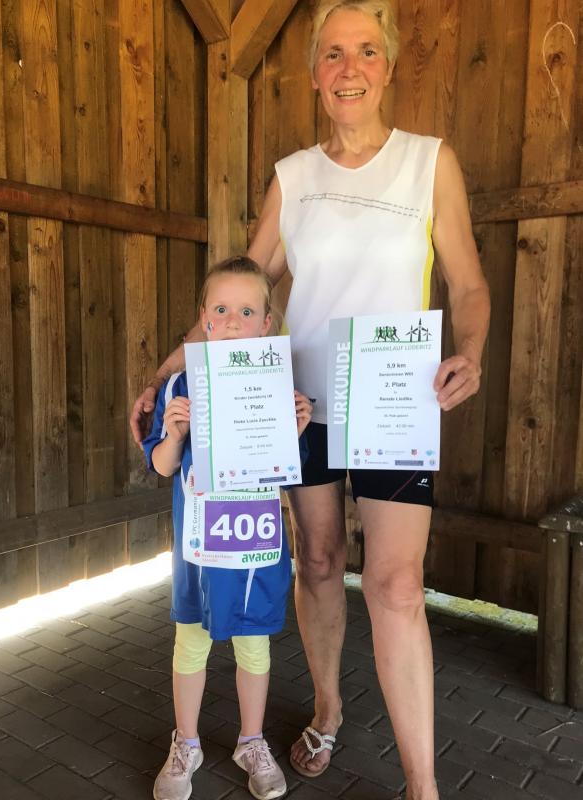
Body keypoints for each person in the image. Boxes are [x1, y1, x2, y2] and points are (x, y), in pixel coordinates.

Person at [133, 3, 490, 798]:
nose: (348, 68)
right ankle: (327, 710)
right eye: (332, 54)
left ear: (387, 66)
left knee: (396, 585)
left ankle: (422, 784)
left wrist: (468, 351)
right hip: (297, 403)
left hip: (392, 405)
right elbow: (238, 295)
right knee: (319, 562)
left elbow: (467, 283)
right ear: (314, 75)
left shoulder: (428, 162)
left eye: (365, 51)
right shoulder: (293, 177)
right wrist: (166, 374)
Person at [143, 256, 313, 800]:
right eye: (220, 309)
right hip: (200, 548)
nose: (233, 321)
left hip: (255, 546)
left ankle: (251, 741)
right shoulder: (181, 385)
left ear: (267, 323)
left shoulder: (277, 386)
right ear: (203, 319)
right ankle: (186, 743)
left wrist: (295, 430)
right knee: (190, 642)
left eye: (246, 310)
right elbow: (161, 466)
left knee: (253, 644)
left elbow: (288, 472)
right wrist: (174, 435)